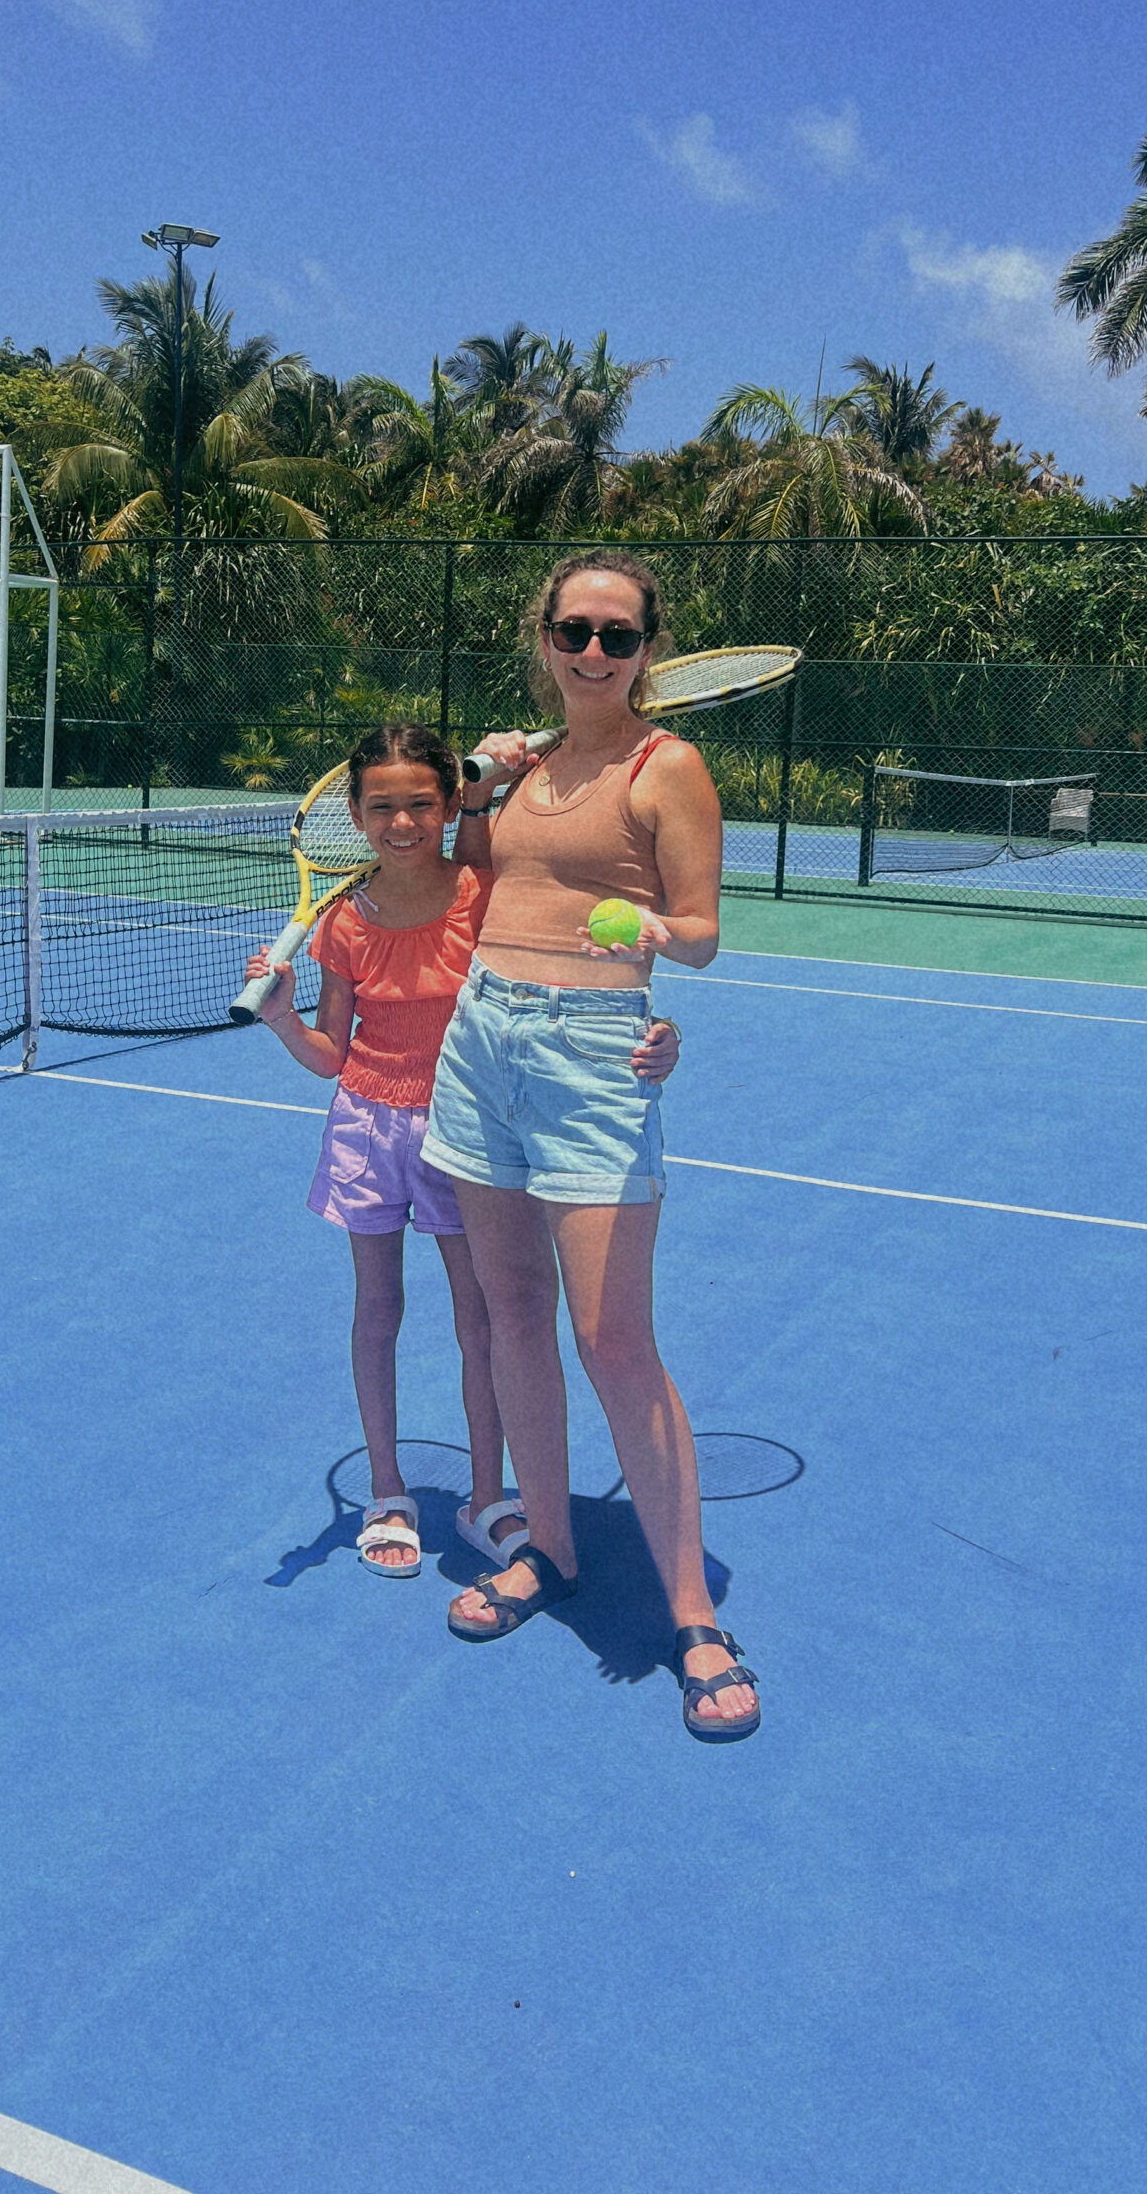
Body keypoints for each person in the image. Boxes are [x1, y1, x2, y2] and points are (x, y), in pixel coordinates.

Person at [424, 554, 761, 1741]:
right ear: (547, 637)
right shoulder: (527, 766)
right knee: (510, 1315)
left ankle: (693, 1614)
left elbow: (706, 933)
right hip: (481, 1044)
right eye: (576, 629)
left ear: (648, 648)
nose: (595, 653)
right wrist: (475, 787)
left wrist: (651, 930)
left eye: (619, 636)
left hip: (591, 1055)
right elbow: (465, 872)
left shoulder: (668, 769)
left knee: (614, 1339)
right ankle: (553, 1548)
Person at [244, 722, 681, 1581]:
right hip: (367, 1129)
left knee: (483, 1319)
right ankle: (387, 1491)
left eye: (420, 804)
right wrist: (283, 1020)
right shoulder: (342, 923)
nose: (402, 823)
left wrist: (657, 1032)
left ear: (450, 805)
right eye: (382, 808)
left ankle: (489, 1498)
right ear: (355, 815)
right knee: (378, 1311)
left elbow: (566, 987)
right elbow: (333, 1054)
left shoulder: (484, 895)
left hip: (467, 1132)